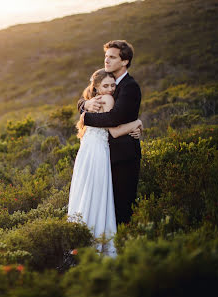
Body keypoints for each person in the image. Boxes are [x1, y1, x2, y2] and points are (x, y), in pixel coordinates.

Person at [68, 68, 142, 257]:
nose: (110, 89)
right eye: (105, 85)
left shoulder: (91, 101)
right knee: (99, 194)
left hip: (86, 152)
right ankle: (99, 241)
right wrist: (137, 123)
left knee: (86, 192)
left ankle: (80, 240)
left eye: (112, 85)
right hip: (99, 152)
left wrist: (84, 108)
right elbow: (115, 131)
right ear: (97, 87)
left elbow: (87, 112)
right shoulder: (108, 100)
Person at [77, 40, 142, 225]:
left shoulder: (130, 87)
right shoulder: (105, 79)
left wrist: (85, 118)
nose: (107, 60)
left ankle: (123, 250)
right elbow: (84, 97)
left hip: (123, 157)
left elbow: (114, 119)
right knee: (103, 208)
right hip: (103, 156)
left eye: (112, 57)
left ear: (125, 61)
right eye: (106, 56)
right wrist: (85, 105)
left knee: (121, 210)